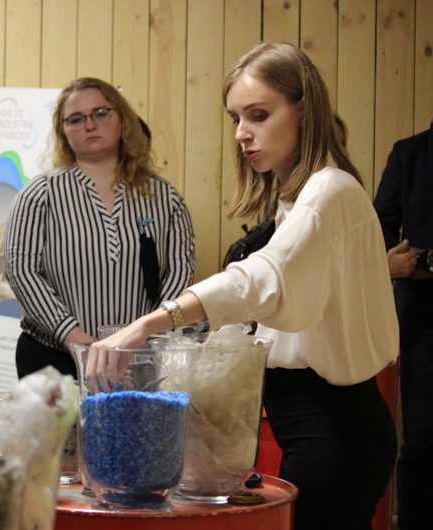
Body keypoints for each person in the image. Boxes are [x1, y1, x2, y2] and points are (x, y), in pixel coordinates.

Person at [96, 43, 397, 530]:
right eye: (235, 118)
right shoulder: (295, 199)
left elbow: (263, 277)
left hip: (335, 429)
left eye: (258, 115)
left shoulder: (329, 190)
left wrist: (151, 322)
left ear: (305, 110)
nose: (241, 133)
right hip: (313, 425)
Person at [4, 76, 195, 379]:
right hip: (55, 359)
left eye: (101, 113)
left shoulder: (164, 196)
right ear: (63, 131)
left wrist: (146, 336)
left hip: (139, 358)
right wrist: (76, 339)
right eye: (76, 119)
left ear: (123, 119)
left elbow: (179, 270)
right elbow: (21, 272)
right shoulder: (39, 194)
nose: (89, 125)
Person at [373, 119, 433, 529]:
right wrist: (401, 262)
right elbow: (378, 226)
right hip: (424, 318)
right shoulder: (410, 153)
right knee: (423, 440)